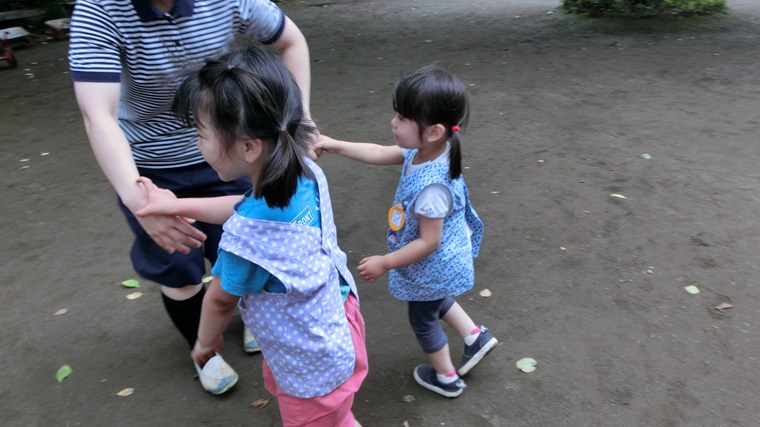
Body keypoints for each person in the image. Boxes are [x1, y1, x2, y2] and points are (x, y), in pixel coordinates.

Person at [68, 0, 313, 391]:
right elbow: (98, 114)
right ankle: (204, 352)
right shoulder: (99, 10)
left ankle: (252, 315)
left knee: (250, 247)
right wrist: (140, 201)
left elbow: (292, 40)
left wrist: (297, 126)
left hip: (232, 155)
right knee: (179, 269)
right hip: (149, 168)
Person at [135, 46, 367, 426]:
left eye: (201, 134)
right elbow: (242, 207)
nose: (197, 145)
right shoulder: (302, 171)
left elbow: (219, 302)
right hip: (339, 319)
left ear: (248, 146)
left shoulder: (246, 242)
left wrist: (205, 342)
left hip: (307, 361)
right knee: (337, 413)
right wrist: (176, 203)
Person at [314, 64, 498, 398]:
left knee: (422, 318)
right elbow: (378, 152)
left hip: (435, 261)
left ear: (434, 131)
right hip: (443, 262)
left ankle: (446, 378)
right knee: (435, 299)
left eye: (401, 117)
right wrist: (334, 144)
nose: (393, 122)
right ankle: (475, 337)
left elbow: (429, 241)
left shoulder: (432, 187)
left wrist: (385, 262)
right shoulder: (426, 150)